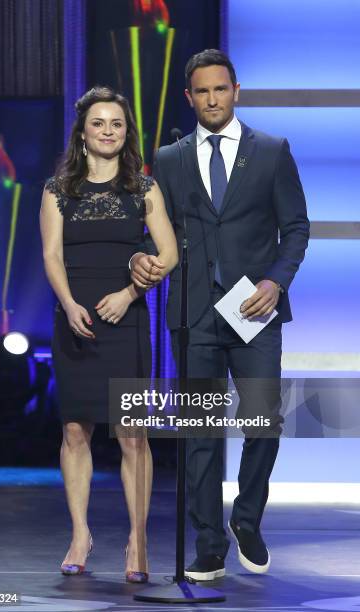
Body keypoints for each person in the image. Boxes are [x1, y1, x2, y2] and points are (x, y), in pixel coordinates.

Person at [131, 49, 310, 580]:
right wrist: (140, 255)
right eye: (202, 91)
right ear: (189, 98)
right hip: (194, 312)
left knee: (262, 425)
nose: (212, 99)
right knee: (201, 433)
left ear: (236, 90)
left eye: (220, 89)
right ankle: (208, 542)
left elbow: (296, 227)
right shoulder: (169, 159)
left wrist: (275, 281)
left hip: (254, 307)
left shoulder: (273, 152)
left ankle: (247, 521)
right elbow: (154, 234)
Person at [40, 86, 178, 583]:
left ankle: (137, 544)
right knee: (75, 430)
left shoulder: (143, 188)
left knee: (133, 438)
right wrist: (69, 303)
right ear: (82, 131)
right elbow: (52, 255)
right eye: (98, 123)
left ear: (126, 132)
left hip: (126, 321)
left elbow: (169, 253)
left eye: (116, 124)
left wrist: (130, 294)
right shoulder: (58, 190)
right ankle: (80, 533)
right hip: (75, 318)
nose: (107, 131)